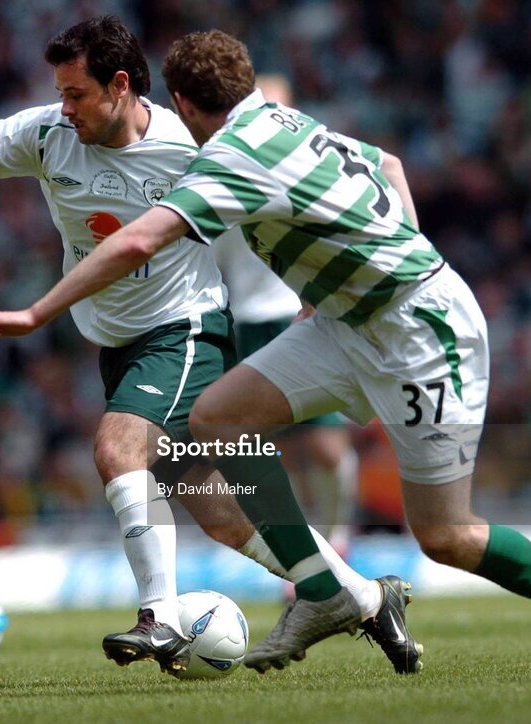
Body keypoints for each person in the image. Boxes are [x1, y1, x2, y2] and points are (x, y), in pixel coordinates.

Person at [0, 29, 531, 681]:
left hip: (419, 334)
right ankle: (324, 589)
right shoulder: (281, 119)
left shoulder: (229, 159)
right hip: (343, 321)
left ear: (179, 102)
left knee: (447, 535)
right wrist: (367, 261)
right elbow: (387, 163)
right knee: (215, 420)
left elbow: (137, 242)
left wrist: (35, 311)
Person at [0, 17, 394, 677]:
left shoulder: (186, 144)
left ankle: (158, 616)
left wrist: (318, 283)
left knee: (117, 447)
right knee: (219, 510)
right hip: (117, 346)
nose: (64, 106)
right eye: (59, 92)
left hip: (184, 329)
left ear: (119, 85)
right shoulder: (48, 135)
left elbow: (294, 193)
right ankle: (361, 596)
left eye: (76, 93)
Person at [214, 73, 360, 555]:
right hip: (247, 320)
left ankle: (339, 536)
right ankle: (308, 546)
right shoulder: (222, 164)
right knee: (281, 450)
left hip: (301, 312)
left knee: (324, 444)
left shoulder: (305, 164)